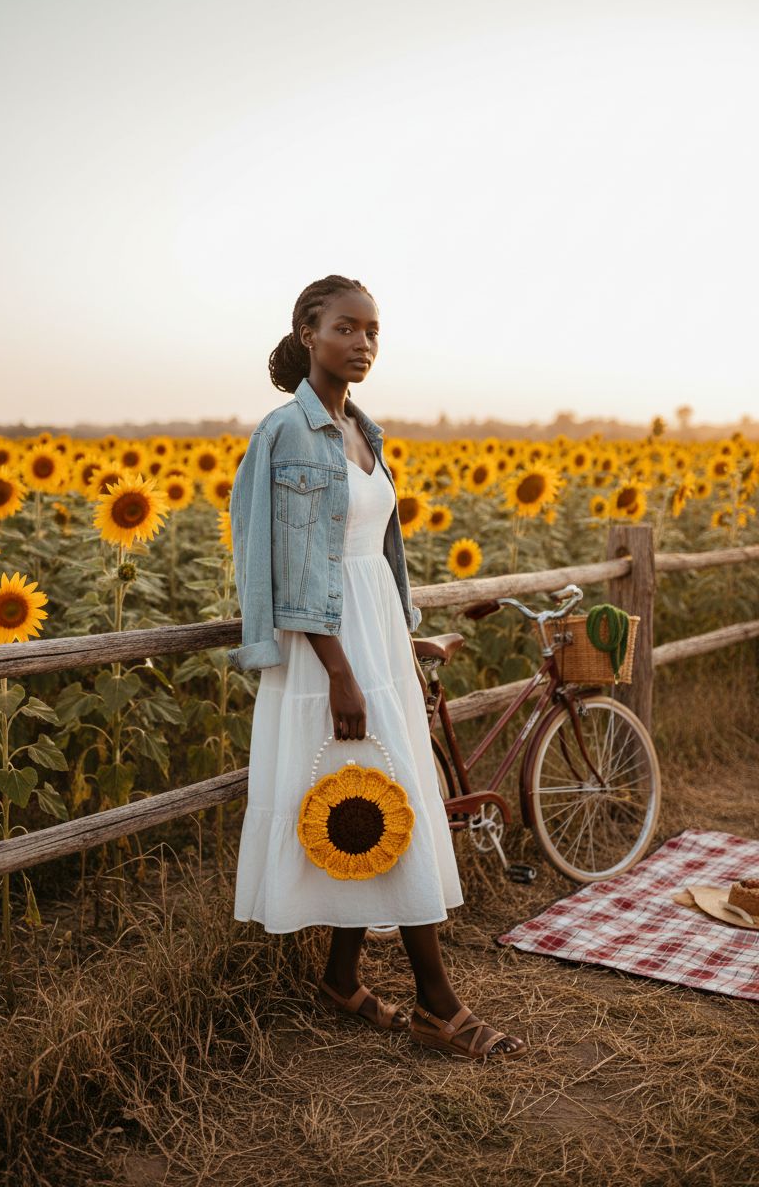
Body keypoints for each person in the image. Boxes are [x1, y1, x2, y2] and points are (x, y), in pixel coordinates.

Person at [228, 275, 527, 1062]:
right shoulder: (288, 433)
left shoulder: (365, 430)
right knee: (389, 805)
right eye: (346, 328)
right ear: (306, 331)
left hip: (375, 639)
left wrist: (401, 634)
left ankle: (339, 976)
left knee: (368, 806)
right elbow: (292, 567)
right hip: (330, 649)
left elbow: (371, 554)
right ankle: (438, 1005)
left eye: (373, 331)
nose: (362, 343)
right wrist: (340, 671)